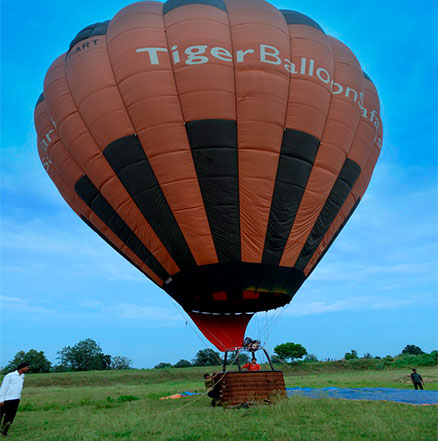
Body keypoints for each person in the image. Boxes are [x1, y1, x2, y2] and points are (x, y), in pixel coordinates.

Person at [0, 362, 30, 436]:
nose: (28, 369)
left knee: (10, 417)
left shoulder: (22, 376)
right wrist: (1, 400)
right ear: (22, 367)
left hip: (16, 399)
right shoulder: (10, 376)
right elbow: (3, 388)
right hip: (7, 399)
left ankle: (4, 431)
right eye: (27, 367)